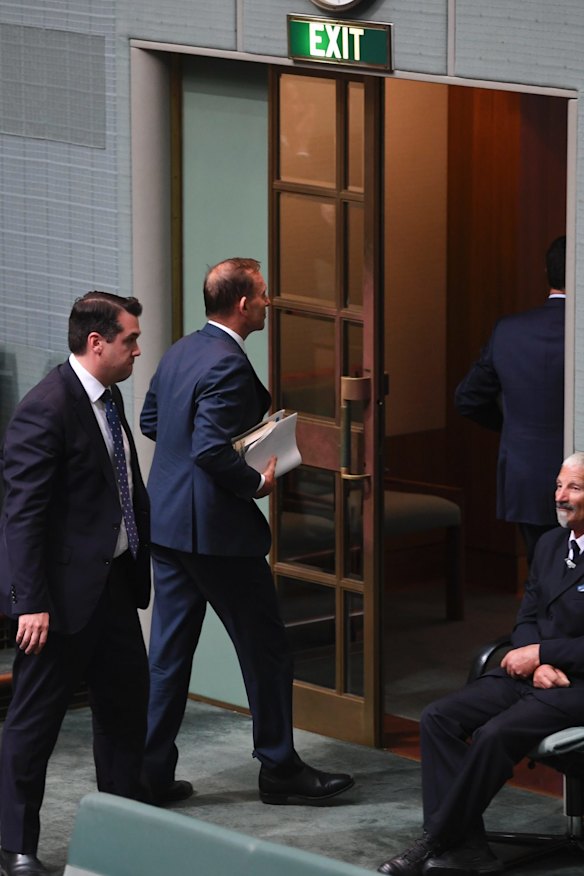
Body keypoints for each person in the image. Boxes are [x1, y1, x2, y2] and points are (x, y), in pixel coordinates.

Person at [140, 257, 354, 805]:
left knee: (167, 655)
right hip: (216, 535)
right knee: (266, 649)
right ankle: (279, 769)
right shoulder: (227, 365)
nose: (267, 303)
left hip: (168, 526)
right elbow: (211, 449)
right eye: (262, 296)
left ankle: (149, 772)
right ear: (242, 304)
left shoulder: (182, 350)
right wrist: (254, 480)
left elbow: (152, 423)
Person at [0, 292, 151, 876]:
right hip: (58, 602)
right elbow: (23, 516)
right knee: (34, 724)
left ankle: (121, 826)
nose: (138, 349)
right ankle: (16, 848)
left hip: (112, 588)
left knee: (125, 707)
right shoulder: (47, 407)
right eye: (131, 340)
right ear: (97, 343)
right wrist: (30, 603)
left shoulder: (108, 399)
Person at [378, 449, 584, 876]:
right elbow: (528, 615)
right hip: (534, 672)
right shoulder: (549, 543)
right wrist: (530, 658)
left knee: (493, 735)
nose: (561, 496)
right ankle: (467, 846)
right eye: (559, 485)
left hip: (576, 684)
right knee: (438, 717)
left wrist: (544, 654)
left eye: (574, 488)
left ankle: (436, 840)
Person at [455, 236, 566, 565]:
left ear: (546, 270)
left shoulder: (509, 331)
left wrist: (514, 425)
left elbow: (467, 399)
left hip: (527, 473)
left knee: (542, 574)